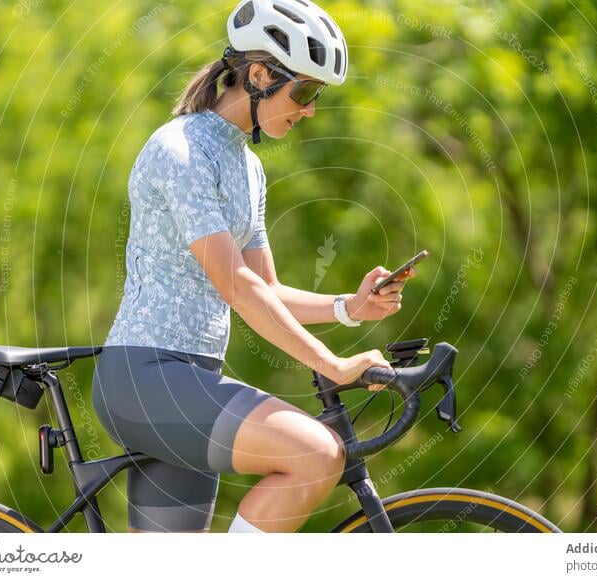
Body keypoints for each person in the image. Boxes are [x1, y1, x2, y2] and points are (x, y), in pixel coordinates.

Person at [91, 0, 417, 534]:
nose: (311, 108)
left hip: (187, 382)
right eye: (305, 91)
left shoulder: (248, 166)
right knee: (316, 453)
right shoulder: (181, 150)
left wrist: (349, 307)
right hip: (146, 379)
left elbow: (265, 287)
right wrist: (333, 364)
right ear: (260, 75)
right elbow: (236, 286)